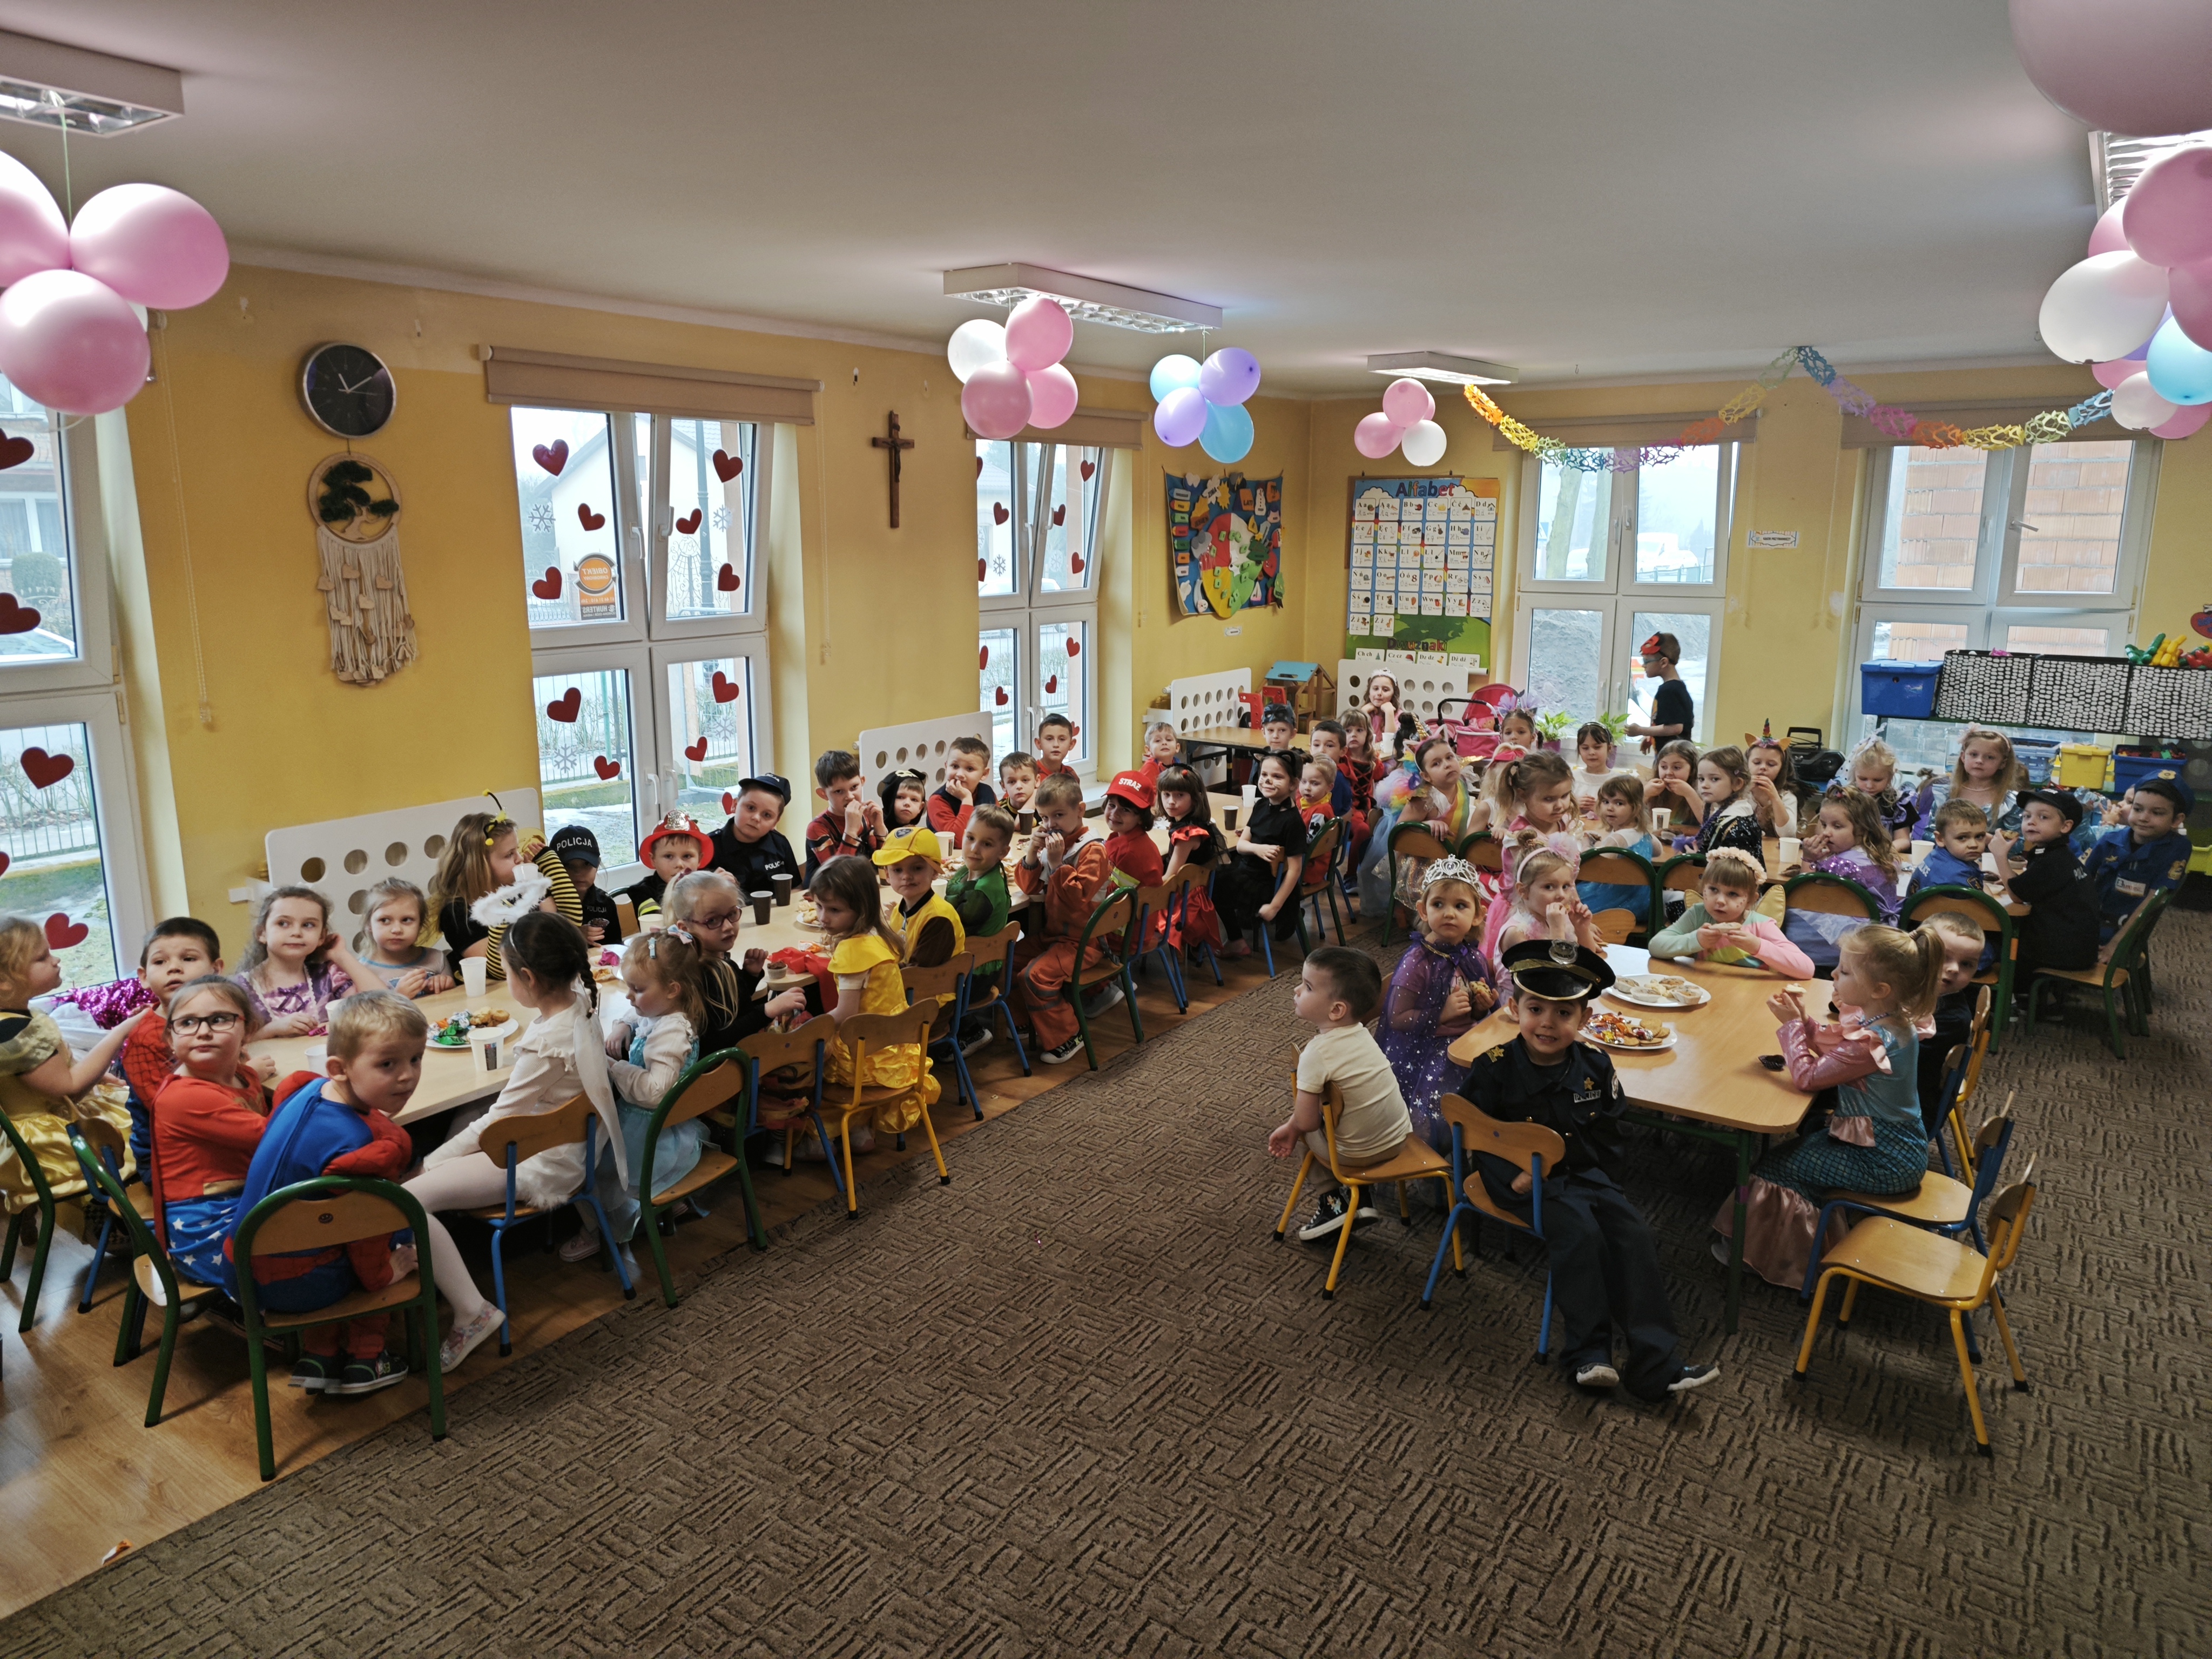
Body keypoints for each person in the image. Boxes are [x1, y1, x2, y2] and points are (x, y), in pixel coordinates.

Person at [1465, 940, 1719, 1399]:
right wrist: (1515, 1177)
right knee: (1581, 1234)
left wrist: (1604, 1185)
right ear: (1514, 1009)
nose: (1547, 1023)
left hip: (1586, 1178)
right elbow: (1476, 1134)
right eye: (1536, 1009)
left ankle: (1656, 1365)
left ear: (1585, 1019)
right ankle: (1588, 1354)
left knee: (1635, 1234)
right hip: (1525, 1184)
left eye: (1564, 1013)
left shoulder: (1596, 1066)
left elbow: (1611, 1134)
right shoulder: (1494, 1068)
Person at [404, 912, 626, 1372]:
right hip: (573, 1144)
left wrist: (429, 1165)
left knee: (406, 1199)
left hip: (543, 1163)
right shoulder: (582, 1000)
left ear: (527, 978)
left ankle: (472, 1311)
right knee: (463, 1117)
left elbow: (498, 1122)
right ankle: (428, 1249)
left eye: (506, 973)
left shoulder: (549, 1040)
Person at [1717, 925, 1944, 1289]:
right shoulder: (1888, 1021)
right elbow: (1838, 1051)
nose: (1834, 975)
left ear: (1880, 990)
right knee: (1783, 1157)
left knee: (1772, 1169)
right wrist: (1803, 1022)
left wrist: (1793, 1027)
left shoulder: (1873, 1041)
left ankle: (1784, 1260)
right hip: (1890, 1146)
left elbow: (1808, 1078)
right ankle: (1782, 1245)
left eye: (1846, 971)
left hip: (1882, 1160)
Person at [225, 991, 423, 1395]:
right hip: (300, 1285)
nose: (407, 1076)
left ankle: (320, 1354)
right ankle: (369, 1358)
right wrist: (389, 1272)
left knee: (323, 1227)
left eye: (416, 1059)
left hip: (239, 1266)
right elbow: (368, 1238)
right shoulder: (362, 1150)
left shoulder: (304, 1092)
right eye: (388, 1064)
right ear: (339, 1069)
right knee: (395, 1226)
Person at [563, 929, 707, 1272]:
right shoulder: (666, 1011)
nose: (629, 996)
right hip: (660, 1127)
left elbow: (656, 1092)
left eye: (638, 990)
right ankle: (663, 1206)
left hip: (651, 1136)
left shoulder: (671, 1033)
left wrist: (616, 1068)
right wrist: (622, 1027)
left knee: (582, 1164)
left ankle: (597, 1230)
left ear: (672, 989)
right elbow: (640, 1015)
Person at [1267, 946, 1414, 1242]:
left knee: (1302, 1134)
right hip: (1400, 1142)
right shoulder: (1363, 1034)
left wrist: (1291, 1128)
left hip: (1358, 1156)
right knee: (1351, 1114)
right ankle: (1363, 1197)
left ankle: (1333, 1204)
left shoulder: (1316, 1054)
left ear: (1336, 1010)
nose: (1297, 990)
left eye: (1308, 987)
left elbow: (1307, 1122)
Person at [0, 916, 141, 1223]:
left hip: (52, 1122)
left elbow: (52, 1071)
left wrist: (97, 1075)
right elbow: (71, 1087)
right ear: (4, 981)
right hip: (48, 1145)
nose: (56, 960)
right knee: (149, 1133)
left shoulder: (16, 1017)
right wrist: (123, 1030)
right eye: (42, 957)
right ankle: (126, 1222)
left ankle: (111, 1221)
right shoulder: (14, 1033)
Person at [802, 855, 940, 1142]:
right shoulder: (881, 936)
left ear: (861, 909)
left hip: (864, 1060)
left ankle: (818, 1141)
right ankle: (861, 1132)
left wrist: (810, 1029)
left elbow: (845, 1015)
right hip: (895, 1050)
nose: (823, 917)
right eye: (819, 906)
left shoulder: (853, 953)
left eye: (834, 910)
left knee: (807, 1062)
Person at [150, 977, 270, 1285]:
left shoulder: (244, 1075)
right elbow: (274, 1140)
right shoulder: (185, 1096)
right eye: (187, 1023)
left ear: (248, 1030)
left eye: (219, 1020)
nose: (203, 1032)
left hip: (240, 1202)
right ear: (170, 1038)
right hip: (205, 1231)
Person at [1380, 859, 1497, 1154]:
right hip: (1425, 1049)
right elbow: (1396, 1017)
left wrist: (1480, 1006)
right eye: (1438, 904)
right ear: (1423, 910)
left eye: (1461, 906)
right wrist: (1441, 1014)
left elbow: (1473, 1013)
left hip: (1466, 1042)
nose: (1449, 913)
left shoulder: (1472, 957)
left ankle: (1479, 1151)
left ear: (1478, 916)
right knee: (1441, 1108)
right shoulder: (1416, 962)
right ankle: (1433, 1159)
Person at [1010, 774, 1124, 1063]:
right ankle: (1026, 1021)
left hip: (1084, 943)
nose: (1051, 824)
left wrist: (1058, 864)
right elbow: (1029, 887)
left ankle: (1068, 1036)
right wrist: (1032, 853)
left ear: (1080, 810)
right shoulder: (1054, 846)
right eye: (1045, 817)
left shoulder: (1093, 850)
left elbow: (1077, 899)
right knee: (1009, 960)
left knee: (1034, 976)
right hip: (1055, 936)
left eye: (1059, 815)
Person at [119, 918, 232, 1178]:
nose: (174, 968)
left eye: (188, 959)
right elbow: (172, 1111)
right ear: (144, 977)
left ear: (216, 969)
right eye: (160, 962)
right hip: (171, 1160)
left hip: (216, 1131)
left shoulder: (223, 1014)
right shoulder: (145, 1038)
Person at [430, 807, 584, 980]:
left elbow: (569, 927)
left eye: (517, 850)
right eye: (510, 854)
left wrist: (548, 863)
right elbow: (500, 968)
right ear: (480, 866)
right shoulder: (457, 913)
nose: (520, 858)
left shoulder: (518, 891)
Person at [1782, 789, 1901, 972]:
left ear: (1862, 829)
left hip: (1834, 943)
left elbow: (1804, 896)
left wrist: (1808, 859)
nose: (1826, 833)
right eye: (1823, 824)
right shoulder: (1883, 857)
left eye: (1837, 827)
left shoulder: (1839, 867)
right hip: (1875, 937)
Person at [1990, 788, 2100, 987]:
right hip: (2078, 948)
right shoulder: (2057, 854)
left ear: (2065, 826)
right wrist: (2009, 879)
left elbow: (2017, 896)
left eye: (2043, 817)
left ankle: (2008, 997)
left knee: (1992, 938)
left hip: (2062, 953)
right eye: (2027, 816)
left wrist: (2000, 855)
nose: (2031, 822)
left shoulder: (2053, 860)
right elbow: (2033, 885)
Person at [1645, 848, 1815, 976]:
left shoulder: (1761, 925)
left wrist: (1757, 946)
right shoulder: (1699, 914)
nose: (1720, 900)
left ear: (1750, 900)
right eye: (1713, 890)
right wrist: (1696, 939)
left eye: (1733, 894)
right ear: (1703, 889)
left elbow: (1806, 969)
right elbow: (1656, 946)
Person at [233, 886, 376, 1036]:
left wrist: (341, 955)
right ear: (261, 933)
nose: (296, 933)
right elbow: (232, 1042)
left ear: (322, 936)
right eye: (283, 923)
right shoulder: (241, 988)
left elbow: (382, 1005)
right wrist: (271, 1030)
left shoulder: (329, 976)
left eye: (308, 925)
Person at [2080, 775, 2191, 953]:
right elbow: (2080, 878)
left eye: (2157, 813)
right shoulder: (2109, 840)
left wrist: (2118, 944)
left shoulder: (2177, 848)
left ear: (2176, 820)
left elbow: (2153, 900)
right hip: (2089, 923)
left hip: (2122, 934)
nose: (2144, 818)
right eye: (2138, 809)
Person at [1213, 752, 1307, 960]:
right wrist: (1258, 849)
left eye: (1277, 777)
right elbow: (1242, 846)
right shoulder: (1262, 805)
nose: (1268, 780)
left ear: (1293, 784)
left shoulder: (1293, 822)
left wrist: (1275, 906)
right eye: (1264, 775)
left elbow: (1295, 870)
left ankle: (1236, 940)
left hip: (1265, 883)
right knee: (1213, 875)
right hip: (1248, 867)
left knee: (1215, 887)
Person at [1486, 844, 1604, 992]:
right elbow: (1550, 980)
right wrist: (1557, 931)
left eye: (1566, 886)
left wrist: (1582, 929)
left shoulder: (1556, 920)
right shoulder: (1517, 933)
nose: (1561, 895)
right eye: (1549, 887)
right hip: (1520, 1002)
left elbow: (1588, 964)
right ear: (1523, 891)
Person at [876, 826, 966, 1015]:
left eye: (917, 868)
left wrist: (877, 975)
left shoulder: (938, 920)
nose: (906, 876)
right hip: (909, 993)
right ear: (887, 875)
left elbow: (918, 976)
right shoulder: (900, 909)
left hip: (931, 1004)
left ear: (935, 871)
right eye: (897, 870)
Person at [1914, 911, 1986, 1139]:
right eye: (1943, 957)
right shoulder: (1911, 988)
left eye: (1967, 964)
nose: (1955, 969)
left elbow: (1893, 1053)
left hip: (1913, 1113)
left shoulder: (1953, 1019)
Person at [1152, 766, 1225, 958]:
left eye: (1180, 795)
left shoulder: (1187, 835)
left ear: (1195, 798)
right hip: (1191, 892)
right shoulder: (1194, 824)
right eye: (1166, 794)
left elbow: (1170, 878)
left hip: (1186, 901)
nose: (1171, 801)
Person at [1914, 726, 2025, 839]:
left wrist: (1985, 839)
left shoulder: (2010, 802)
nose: (1979, 761)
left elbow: (2017, 842)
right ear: (1963, 757)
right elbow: (1929, 833)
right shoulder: (1945, 794)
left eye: (1990, 757)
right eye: (1974, 755)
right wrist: (1951, 840)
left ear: (2003, 763)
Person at [352, 878, 453, 998]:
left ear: (420, 925)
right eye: (385, 920)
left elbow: (454, 1003)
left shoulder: (437, 959)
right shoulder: (361, 971)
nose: (397, 930)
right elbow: (365, 1010)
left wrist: (446, 986)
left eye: (406, 920)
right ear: (369, 924)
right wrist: (399, 997)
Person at [1578, 775, 1657, 926]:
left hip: (1616, 903)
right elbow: (1658, 851)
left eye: (1619, 803)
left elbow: (1593, 867)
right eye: (1606, 802)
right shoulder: (1644, 833)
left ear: (1636, 809)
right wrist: (1602, 844)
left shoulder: (1617, 839)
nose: (1610, 808)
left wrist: (1586, 844)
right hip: (1644, 902)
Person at [707, 773, 802, 898]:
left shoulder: (780, 844)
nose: (756, 818)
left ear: (775, 822)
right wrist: (710, 886)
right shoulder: (710, 846)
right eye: (751, 808)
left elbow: (796, 888)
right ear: (735, 805)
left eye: (767, 815)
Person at [802, 749, 883, 879]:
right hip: (825, 890)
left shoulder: (866, 816)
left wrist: (880, 828)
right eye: (839, 791)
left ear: (862, 781)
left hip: (861, 885)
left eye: (854, 787)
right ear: (823, 794)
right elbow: (835, 876)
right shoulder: (817, 828)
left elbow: (883, 863)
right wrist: (851, 831)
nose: (850, 796)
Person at [622, 812, 712, 921]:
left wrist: (721, 890)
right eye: (669, 856)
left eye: (687, 856)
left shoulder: (707, 886)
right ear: (653, 860)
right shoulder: (642, 893)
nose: (679, 864)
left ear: (700, 860)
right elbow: (661, 926)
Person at [1831, 737, 1915, 851]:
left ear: (1890, 776)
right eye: (1863, 779)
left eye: (1877, 780)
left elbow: (1903, 840)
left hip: (1885, 856)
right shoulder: (1845, 798)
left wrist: (1881, 853)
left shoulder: (1898, 803)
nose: (1870, 786)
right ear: (1854, 773)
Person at [1689, 745, 1765, 860]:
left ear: (1738, 784)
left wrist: (1694, 858)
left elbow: (1724, 865)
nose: (1704, 785)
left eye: (1715, 779)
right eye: (1701, 779)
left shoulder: (1731, 821)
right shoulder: (1743, 808)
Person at [551, 825, 622, 947]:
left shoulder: (606, 903)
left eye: (587, 864)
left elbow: (615, 949)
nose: (578, 872)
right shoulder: (545, 904)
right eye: (568, 865)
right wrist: (575, 935)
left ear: (597, 865)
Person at [1623, 631, 1693, 750]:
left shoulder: (1669, 691)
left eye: (1646, 661)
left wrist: (1640, 730)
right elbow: (1668, 723)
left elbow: (1676, 728)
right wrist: (1652, 737)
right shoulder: (1677, 687)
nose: (1643, 666)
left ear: (1664, 662)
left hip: (1674, 756)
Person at [1099, 769, 1166, 889]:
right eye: (1112, 805)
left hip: (1136, 902)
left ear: (1141, 818)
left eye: (1125, 810)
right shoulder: (1130, 839)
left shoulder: (1128, 854)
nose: (1115, 813)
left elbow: (1118, 896)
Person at [1910, 799, 1991, 899]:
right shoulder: (1959, 877)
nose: (1973, 845)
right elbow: (1987, 907)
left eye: (1979, 836)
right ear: (1940, 839)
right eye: (1962, 838)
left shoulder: (1935, 855)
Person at [925, 736, 999, 844]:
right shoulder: (937, 801)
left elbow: (1001, 828)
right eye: (955, 766)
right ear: (946, 767)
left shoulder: (987, 792)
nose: (960, 774)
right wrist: (966, 800)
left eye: (970, 769)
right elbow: (959, 841)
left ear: (984, 774)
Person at [1643, 739, 1704, 839]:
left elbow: (1711, 825)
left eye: (1676, 768)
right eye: (1664, 767)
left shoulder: (1704, 791)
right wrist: (1644, 795)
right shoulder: (1653, 791)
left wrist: (1689, 794)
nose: (1668, 773)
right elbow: (1627, 819)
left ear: (1692, 770)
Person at [1746, 737, 1803, 836]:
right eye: (1757, 763)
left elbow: (1788, 835)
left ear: (1782, 769)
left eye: (1771, 764)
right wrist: (1743, 792)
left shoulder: (1787, 797)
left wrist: (1775, 798)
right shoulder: (1740, 793)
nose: (1763, 767)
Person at [1571, 722, 1623, 812]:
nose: (1591, 753)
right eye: (1585, 748)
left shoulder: (1619, 781)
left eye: (1597, 747)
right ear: (1579, 750)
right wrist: (1573, 804)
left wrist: (1601, 808)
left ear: (1609, 748)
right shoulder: (1572, 779)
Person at [1295, 757, 1338, 842]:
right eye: (1303, 782)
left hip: (1308, 850)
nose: (1307, 788)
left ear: (1329, 787)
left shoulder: (1321, 810)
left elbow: (1312, 841)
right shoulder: (1301, 799)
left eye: (1315, 784)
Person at [877, 766, 929, 833]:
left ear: (921, 807)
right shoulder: (876, 826)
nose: (907, 803)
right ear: (890, 800)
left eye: (914, 800)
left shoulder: (916, 832)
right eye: (900, 797)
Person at [1259, 703, 1305, 778]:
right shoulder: (1261, 756)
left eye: (1282, 730)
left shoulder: (1299, 759)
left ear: (1293, 734)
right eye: (1270, 730)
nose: (1275, 736)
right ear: (1264, 732)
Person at [1034, 713, 1079, 782]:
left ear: (1071, 744)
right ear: (1039, 744)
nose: (1056, 745)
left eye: (1062, 739)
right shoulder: (1030, 775)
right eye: (1049, 739)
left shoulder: (1071, 775)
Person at [1137, 720, 1182, 788]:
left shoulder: (1177, 763)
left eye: (1169, 740)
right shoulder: (1150, 767)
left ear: (1177, 747)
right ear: (1148, 750)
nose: (1164, 743)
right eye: (1158, 741)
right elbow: (1148, 792)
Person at [997, 751, 1039, 819]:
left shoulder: (1047, 807)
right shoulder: (998, 811)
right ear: (1003, 786)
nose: (1019, 786)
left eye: (1025, 780)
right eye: (1012, 782)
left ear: (1037, 781)